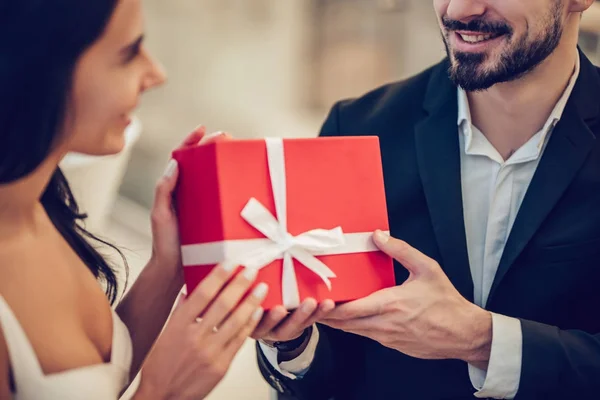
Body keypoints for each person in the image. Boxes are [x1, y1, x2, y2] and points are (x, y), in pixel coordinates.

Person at [254, 0, 600, 399]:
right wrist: (292, 341)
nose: (460, 8)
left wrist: (482, 341)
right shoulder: (355, 129)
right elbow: (328, 376)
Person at [0, 1, 269, 399]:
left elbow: (89, 381)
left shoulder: (38, 204)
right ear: (37, 67)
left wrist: (169, 264)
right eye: (128, 55)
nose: (156, 74)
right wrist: (162, 391)